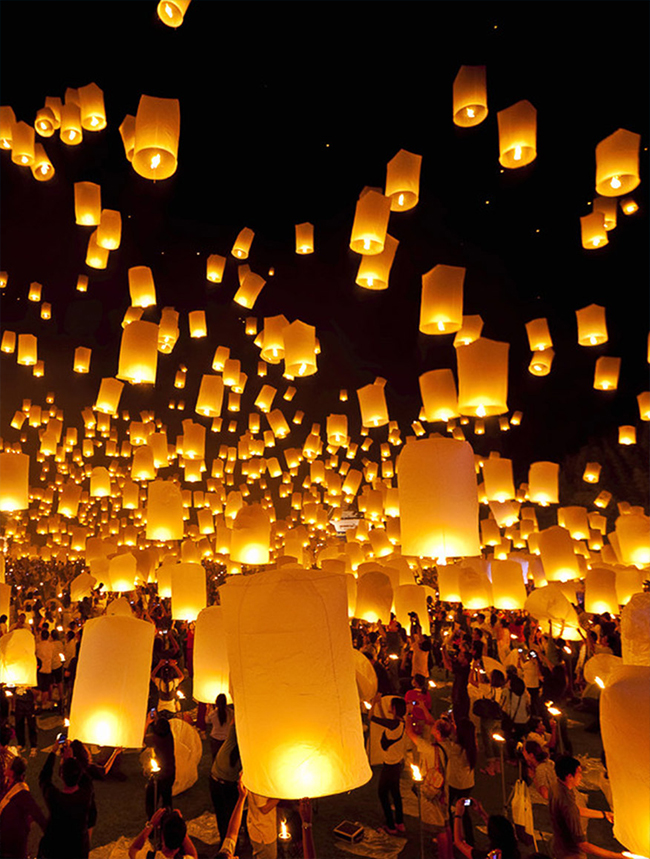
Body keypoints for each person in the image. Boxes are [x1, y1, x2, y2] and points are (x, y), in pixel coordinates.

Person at [549, 756, 622, 859]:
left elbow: (576, 809)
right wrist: (617, 856)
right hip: (570, 854)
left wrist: (604, 814)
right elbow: (583, 845)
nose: (581, 777)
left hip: (557, 845)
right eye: (579, 773)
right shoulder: (567, 804)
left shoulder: (556, 786)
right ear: (569, 776)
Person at [405, 715, 453, 858]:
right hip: (445, 789)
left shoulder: (430, 749)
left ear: (437, 732)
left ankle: (444, 856)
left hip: (435, 791)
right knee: (445, 823)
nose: (432, 725)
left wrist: (408, 716)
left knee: (439, 830)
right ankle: (449, 854)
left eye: (435, 725)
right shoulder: (449, 745)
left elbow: (410, 733)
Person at [39, 741, 96, 859]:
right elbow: (86, 779)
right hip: (77, 850)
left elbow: (44, 778)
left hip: (56, 850)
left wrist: (53, 752)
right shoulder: (85, 795)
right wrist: (70, 759)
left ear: (62, 776)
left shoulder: (55, 798)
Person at [370, 696, 407, 835]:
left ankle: (391, 826)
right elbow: (388, 721)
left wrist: (373, 703)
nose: (389, 707)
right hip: (397, 765)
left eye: (391, 706)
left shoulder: (393, 725)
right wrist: (379, 704)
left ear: (395, 709)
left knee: (382, 794)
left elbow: (371, 717)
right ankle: (400, 822)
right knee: (396, 795)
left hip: (390, 766)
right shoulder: (400, 722)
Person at [0, 755, 48, 859]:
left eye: (8, 766)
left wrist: (49, 834)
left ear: (12, 772)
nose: (6, 767)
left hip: (15, 844)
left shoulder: (22, 793)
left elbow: (38, 814)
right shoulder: (7, 785)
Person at [453, 798, 521, 858]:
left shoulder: (484, 856)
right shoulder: (515, 853)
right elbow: (496, 829)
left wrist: (458, 814)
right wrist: (481, 812)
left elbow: (459, 842)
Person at [209, 720, 242, 843]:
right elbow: (235, 721)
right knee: (223, 816)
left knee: (228, 816)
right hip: (217, 782)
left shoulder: (243, 750)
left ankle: (230, 841)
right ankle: (226, 841)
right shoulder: (233, 739)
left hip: (227, 786)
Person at [128, 806, 198, 859]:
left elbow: (133, 849)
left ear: (162, 836)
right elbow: (193, 854)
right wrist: (179, 824)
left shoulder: (150, 857)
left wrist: (151, 824)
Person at [144, 714, 176, 820]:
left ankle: (152, 822)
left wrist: (147, 723)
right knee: (167, 798)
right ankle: (168, 819)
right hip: (170, 772)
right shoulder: (168, 736)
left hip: (160, 775)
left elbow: (143, 739)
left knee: (152, 800)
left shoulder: (156, 739)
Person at [246, 790, 279, 859]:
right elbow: (264, 808)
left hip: (260, 829)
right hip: (263, 833)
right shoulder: (258, 782)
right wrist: (281, 794)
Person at [206, 693, 233, 760]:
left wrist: (207, 710)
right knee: (225, 758)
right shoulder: (231, 713)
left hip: (215, 738)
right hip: (226, 738)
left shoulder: (213, 714)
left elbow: (207, 721)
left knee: (215, 758)